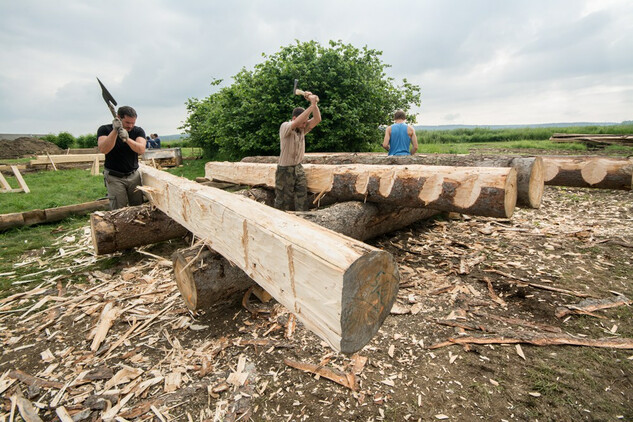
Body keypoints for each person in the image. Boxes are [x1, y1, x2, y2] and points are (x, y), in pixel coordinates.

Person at [275, 92, 321, 211]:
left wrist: (314, 104)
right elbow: (296, 123)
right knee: (283, 201)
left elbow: (317, 119)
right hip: (285, 170)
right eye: (303, 121)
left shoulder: (301, 130)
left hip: (298, 168)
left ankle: (302, 219)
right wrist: (311, 105)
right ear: (295, 118)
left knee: (302, 198)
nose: (305, 125)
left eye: (306, 122)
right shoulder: (285, 126)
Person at [97, 106, 147, 210]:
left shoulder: (138, 131)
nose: (131, 126)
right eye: (128, 123)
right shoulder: (104, 129)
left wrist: (127, 139)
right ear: (118, 118)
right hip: (114, 176)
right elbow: (104, 149)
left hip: (133, 176)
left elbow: (141, 149)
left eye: (133, 123)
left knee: (138, 207)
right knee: (119, 210)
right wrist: (115, 131)